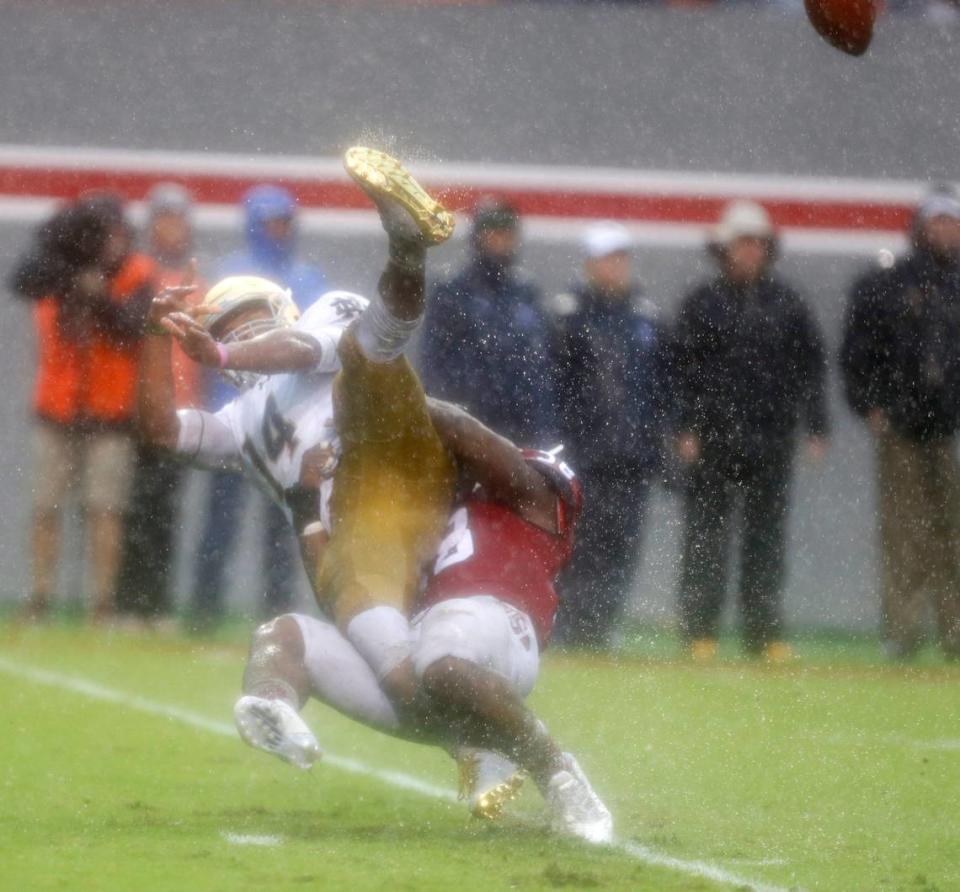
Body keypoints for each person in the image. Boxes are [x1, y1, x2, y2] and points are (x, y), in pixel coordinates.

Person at [139, 148, 611, 843]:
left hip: (395, 459)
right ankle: (285, 710)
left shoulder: (314, 318)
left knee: (368, 353)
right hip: (363, 541)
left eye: (247, 319)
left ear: (275, 307)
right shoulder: (239, 427)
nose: (236, 334)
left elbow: (305, 348)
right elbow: (160, 431)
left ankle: (406, 244)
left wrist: (227, 355)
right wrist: (153, 338)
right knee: (319, 647)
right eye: (221, 330)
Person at [233, 406, 613, 843]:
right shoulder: (421, 521)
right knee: (282, 635)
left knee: (443, 653)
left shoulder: (532, 496)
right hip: (422, 668)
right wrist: (306, 507)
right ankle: (274, 708)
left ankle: (557, 772)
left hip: (498, 630)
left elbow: (464, 431)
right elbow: (347, 601)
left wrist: (376, 391)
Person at [673, 200, 829, 660]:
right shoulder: (701, 303)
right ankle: (699, 632)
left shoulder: (789, 304)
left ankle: (763, 634)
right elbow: (682, 371)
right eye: (742, 243)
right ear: (724, 248)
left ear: (768, 249)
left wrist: (816, 426)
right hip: (714, 440)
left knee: (766, 540)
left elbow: (810, 370)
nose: (749, 252)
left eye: (757, 244)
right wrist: (686, 426)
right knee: (706, 538)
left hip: (771, 439)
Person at [10, 193, 155, 623]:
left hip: (110, 412)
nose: (107, 244)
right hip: (57, 407)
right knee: (45, 507)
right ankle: (40, 598)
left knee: (104, 510)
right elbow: (21, 280)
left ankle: (102, 604)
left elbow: (132, 328)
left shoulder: (136, 274)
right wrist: (67, 263)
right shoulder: (57, 268)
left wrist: (100, 295)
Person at [190, 185, 326, 630]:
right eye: (270, 222)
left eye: (285, 222)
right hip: (234, 411)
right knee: (221, 522)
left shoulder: (306, 277)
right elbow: (207, 349)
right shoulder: (228, 275)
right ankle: (204, 611)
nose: (279, 231)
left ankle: (278, 611)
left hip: (283, 418)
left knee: (284, 523)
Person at [840, 187, 960, 661]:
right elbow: (857, 352)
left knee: (953, 533)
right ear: (920, 228)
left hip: (948, 427)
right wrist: (869, 404)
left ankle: (955, 630)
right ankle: (903, 632)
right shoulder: (885, 285)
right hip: (901, 428)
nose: (946, 232)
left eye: (953, 223)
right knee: (904, 532)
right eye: (938, 222)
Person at [547, 222, 672, 649]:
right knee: (578, 543)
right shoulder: (568, 316)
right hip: (583, 455)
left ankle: (601, 627)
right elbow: (554, 387)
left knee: (623, 545)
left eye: (621, 258)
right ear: (590, 264)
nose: (615, 267)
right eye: (606, 259)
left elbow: (660, 387)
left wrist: (658, 444)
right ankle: (568, 627)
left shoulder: (646, 316)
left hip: (631, 455)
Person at [115, 184, 205, 626]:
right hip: (135, 412)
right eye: (164, 219)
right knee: (132, 510)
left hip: (180, 413)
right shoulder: (135, 273)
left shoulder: (197, 280)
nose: (172, 228)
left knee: (167, 511)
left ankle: (158, 604)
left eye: (179, 219)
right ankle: (128, 603)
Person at [419, 197, 556, 445]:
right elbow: (433, 363)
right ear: (477, 238)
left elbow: (540, 368)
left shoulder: (526, 293)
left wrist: (543, 429)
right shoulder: (452, 291)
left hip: (520, 428)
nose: (501, 242)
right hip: (468, 426)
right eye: (493, 234)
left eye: (507, 235)